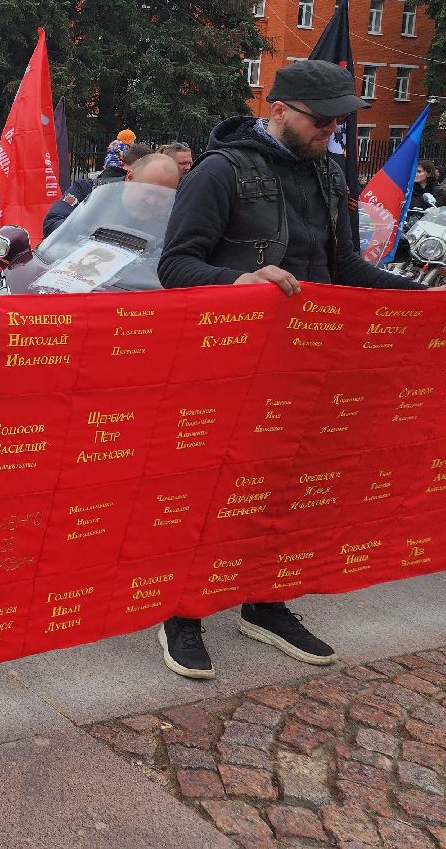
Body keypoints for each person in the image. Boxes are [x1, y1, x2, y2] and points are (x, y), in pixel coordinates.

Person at [156, 58, 428, 682]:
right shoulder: (221, 172)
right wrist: (240, 282)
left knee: (290, 488)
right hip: (234, 367)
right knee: (214, 491)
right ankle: (183, 613)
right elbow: (175, 267)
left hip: (310, 367)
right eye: (321, 120)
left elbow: (345, 268)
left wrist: (420, 297)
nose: (331, 131)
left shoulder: (332, 173)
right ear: (276, 109)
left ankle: (266, 600)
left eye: (339, 122)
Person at [42, 137, 154, 239]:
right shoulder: (87, 188)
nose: (151, 199)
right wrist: (94, 231)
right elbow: (53, 225)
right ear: (130, 175)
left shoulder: (154, 205)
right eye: (146, 188)